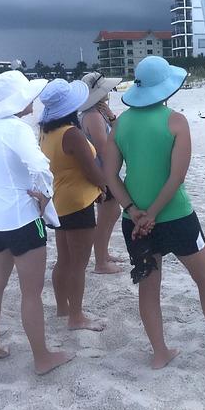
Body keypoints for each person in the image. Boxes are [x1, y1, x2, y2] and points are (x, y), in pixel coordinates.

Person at [103, 56, 205, 369]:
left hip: (135, 222)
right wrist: (153, 213)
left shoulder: (120, 124)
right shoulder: (175, 121)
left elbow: (111, 176)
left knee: (149, 288)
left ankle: (159, 353)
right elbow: (176, 177)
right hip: (176, 217)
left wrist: (134, 211)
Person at [0, 70, 74, 374]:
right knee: (31, 292)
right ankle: (42, 358)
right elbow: (39, 164)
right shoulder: (16, 128)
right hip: (22, 220)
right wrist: (46, 195)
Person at [39, 79, 107, 331]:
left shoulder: (47, 132)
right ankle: (76, 317)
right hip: (79, 202)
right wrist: (105, 187)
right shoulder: (72, 134)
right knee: (78, 263)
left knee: (64, 260)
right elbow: (91, 170)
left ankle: (62, 308)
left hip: (59, 201)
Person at [79, 72, 123, 274]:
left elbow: (117, 129)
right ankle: (100, 261)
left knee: (109, 214)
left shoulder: (97, 112)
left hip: (102, 171)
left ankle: (103, 255)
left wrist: (111, 116)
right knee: (109, 214)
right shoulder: (94, 116)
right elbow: (104, 149)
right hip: (103, 171)